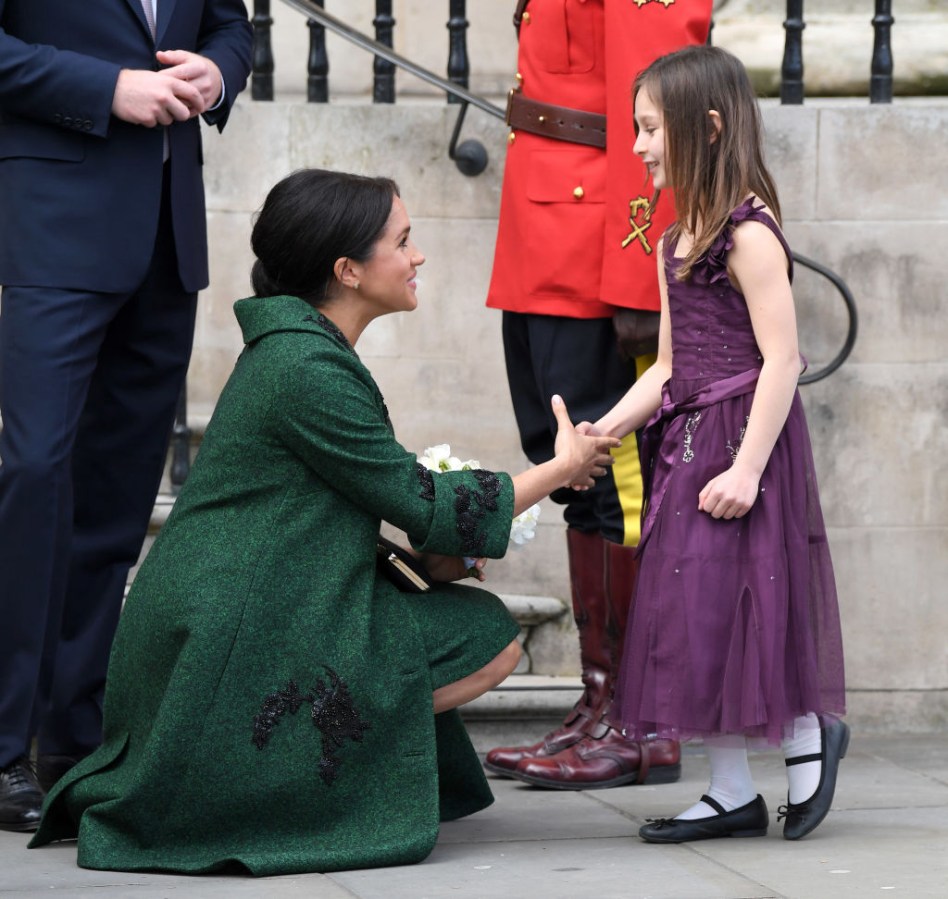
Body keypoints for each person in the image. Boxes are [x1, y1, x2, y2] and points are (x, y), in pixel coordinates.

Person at [29, 168, 623, 874]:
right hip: (225, 638)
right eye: (403, 241)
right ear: (348, 269)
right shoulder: (304, 368)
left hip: (235, 617)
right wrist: (561, 468)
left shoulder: (300, 352)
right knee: (488, 634)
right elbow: (427, 505)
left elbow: (382, 501)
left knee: (457, 616)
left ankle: (300, 769)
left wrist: (442, 550)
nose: (418, 256)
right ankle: (283, 780)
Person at [582, 45, 847, 842]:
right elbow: (667, 365)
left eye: (649, 129)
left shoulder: (749, 233)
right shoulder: (675, 241)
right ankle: (730, 789)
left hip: (745, 442)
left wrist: (747, 468)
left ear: (707, 126)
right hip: (689, 443)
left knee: (752, 597)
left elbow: (785, 360)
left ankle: (809, 732)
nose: (637, 146)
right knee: (696, 610)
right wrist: (606, 428)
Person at [0, 0, 253, 833]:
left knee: (115, 500)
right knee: (35, 470)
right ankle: (5, 743)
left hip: (166, 237)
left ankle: (73, 744)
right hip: (53, 229)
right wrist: (104, 87)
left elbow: (229, 25)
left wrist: (218, 75)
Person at [483, 0, 713, 788]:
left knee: (619, 490)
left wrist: (642, 273)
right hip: (542, 239)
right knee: (571, 473)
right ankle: (600, 701)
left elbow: (665, 103)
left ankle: (643, 719)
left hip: (594, 251)